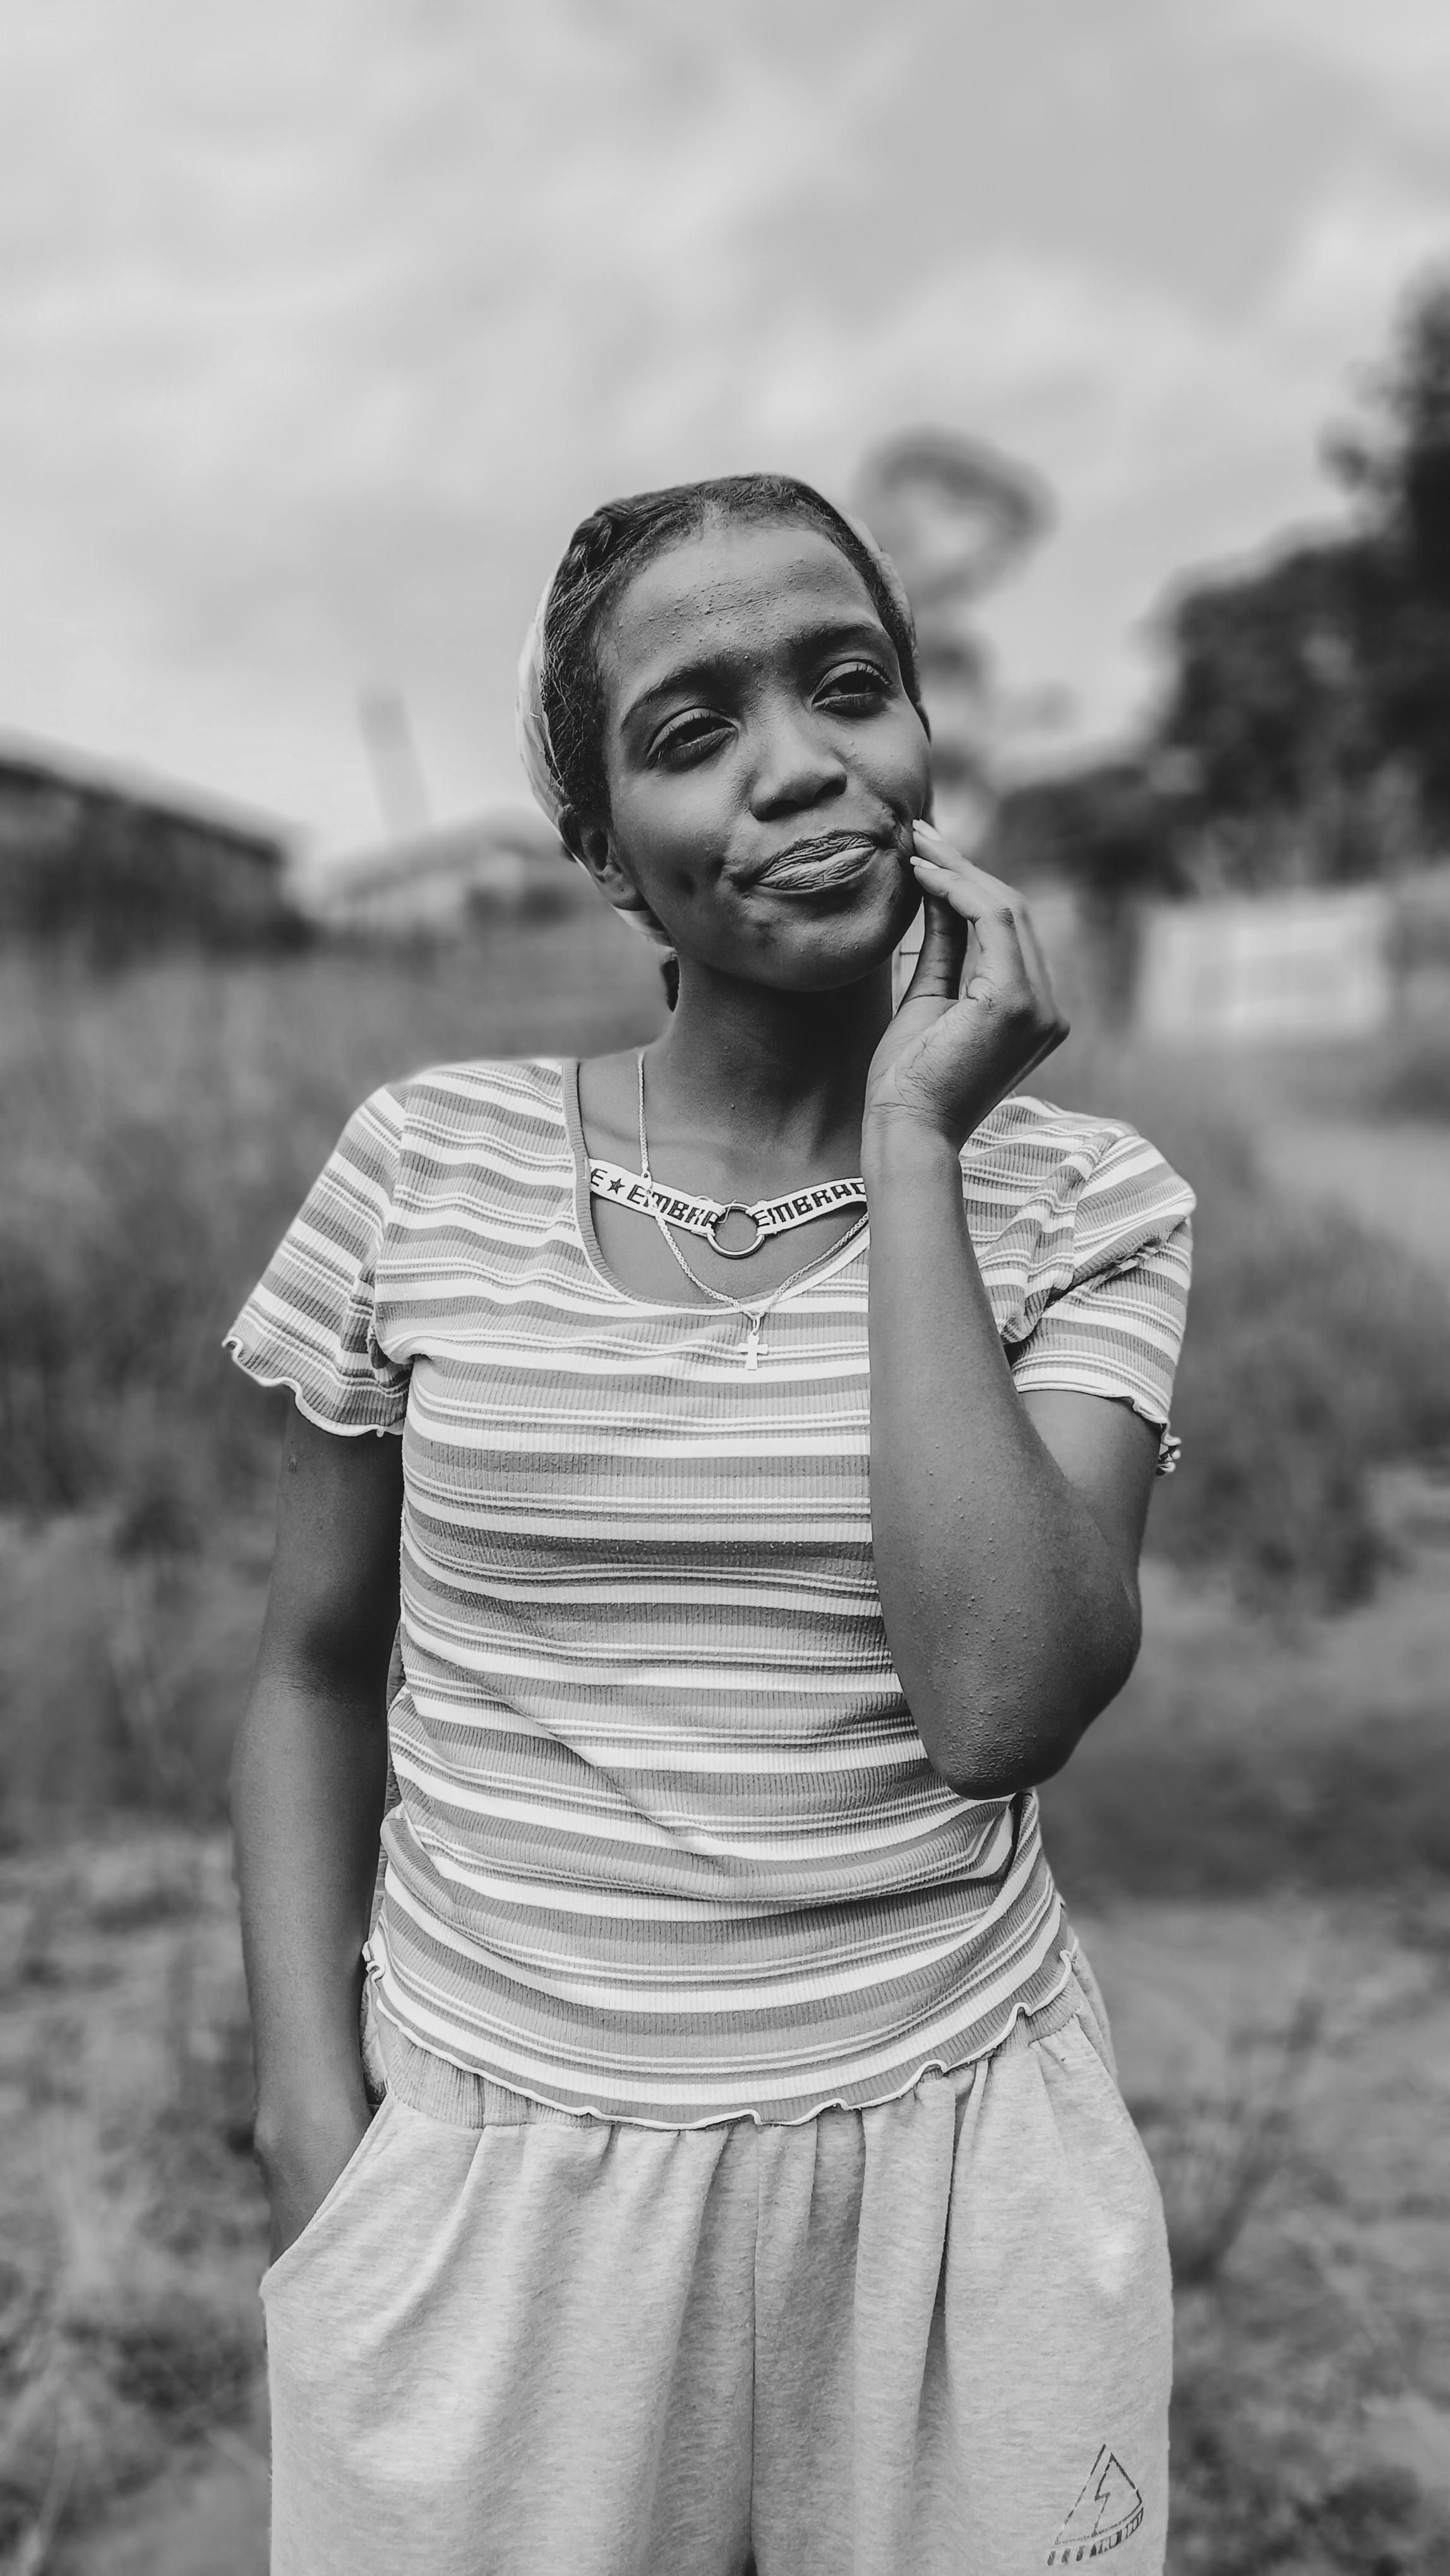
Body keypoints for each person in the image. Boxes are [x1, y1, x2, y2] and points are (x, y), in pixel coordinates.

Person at [227, 473, 1194, 2576]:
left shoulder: (1090, 1206)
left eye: (850, 687)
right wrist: (328, 2148)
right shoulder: (424, 1167)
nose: (798, 767)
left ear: (929, 742)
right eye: (691, 733)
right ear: (602, 852)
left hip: (952, 2194)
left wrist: (918, 1140)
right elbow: (312, 1675)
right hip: (493, 2199)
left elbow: (1001, 1699)